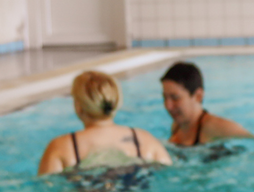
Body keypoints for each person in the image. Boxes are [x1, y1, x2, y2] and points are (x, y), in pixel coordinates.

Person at [38, 71, 172, 176]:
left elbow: (45, 191)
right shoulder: (144, 140)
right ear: (117, 101)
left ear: (79, 106)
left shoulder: (62, 147)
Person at [160, 61, 254, 148]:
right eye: (165, 97)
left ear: (198, 96)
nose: (168, 106)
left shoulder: (215, 127)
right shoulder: (176, 126)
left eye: (175, 98)